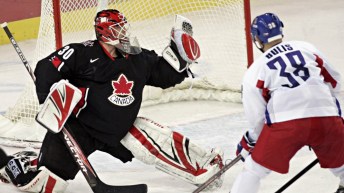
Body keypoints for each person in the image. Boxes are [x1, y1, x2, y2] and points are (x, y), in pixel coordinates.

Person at [1, 9, 223, 193]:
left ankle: (204, 165)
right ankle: (19, 163)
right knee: (45, 186)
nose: (124, 32)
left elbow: (162, 74)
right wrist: (51, 95)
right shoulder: (82, 52)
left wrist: (180, 57)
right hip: (80, 129)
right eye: (118, 28)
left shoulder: (136, 56)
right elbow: (47, 66)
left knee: (156, 139)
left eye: (124, 27)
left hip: (119, 129)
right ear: (104, 32)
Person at [230, 12, 344, 193]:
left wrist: (251, 142)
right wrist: (336, 117)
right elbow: (335, 82)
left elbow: (258, 117)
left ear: (257, 39)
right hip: (326, 117)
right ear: (281, 30)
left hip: (287, 124)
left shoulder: (255, 69)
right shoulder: (307, 48)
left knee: (254, 169)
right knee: (342, 162)